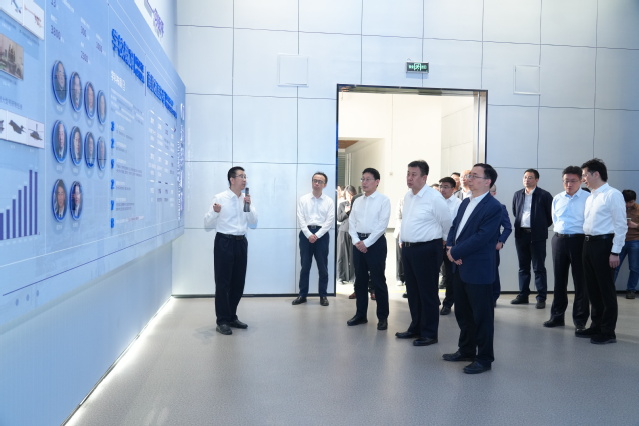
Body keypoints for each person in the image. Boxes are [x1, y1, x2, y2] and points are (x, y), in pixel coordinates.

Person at [444, 163, 502, 374]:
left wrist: (456, 252)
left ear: (487, 181)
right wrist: (450, 247)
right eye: (469, 175)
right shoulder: (465, 202)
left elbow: (482, 237)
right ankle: (466, 350)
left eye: (475, 176)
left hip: (478, 269)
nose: (469, 179)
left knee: (482, 316)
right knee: (463, 313)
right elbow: (454, 228)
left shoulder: (493, 207)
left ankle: (484, 358)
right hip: (460, 267)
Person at [395, 161, 451, 346]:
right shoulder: (408, 195)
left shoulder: (434, 197)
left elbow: (447, 223)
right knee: (413, 291)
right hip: (408, 249)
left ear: (424, 177)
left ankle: (429, 333)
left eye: (414, 174)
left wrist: (443, 241)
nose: (409, 178)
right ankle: (416, 327)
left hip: (427, 249)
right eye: (408, 174)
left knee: (427, 293)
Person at [578, 158, 627, 344]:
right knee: (592, 289)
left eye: (585, 175)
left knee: (606, 290)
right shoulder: (591, 196)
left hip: (604, 245)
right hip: (588, 244)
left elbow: (621, 225)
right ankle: (596, 325)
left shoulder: (612, 195)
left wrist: (615, 252)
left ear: (596, 174)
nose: (583, 179)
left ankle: (608, 332)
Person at [203, 166, 257, 335]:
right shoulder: (220, 198)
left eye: (245, 176)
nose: (244, 179)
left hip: (241, 242)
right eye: (241, 176)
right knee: (223, 283)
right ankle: (222, 321)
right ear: (232, 180)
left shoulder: (245, 199)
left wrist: (249, 205)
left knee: (238, 283)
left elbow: (254, 221)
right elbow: (207, 223)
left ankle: (232, 316)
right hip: (224, 242)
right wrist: (215, 212)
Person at [544, 167, 590, 330]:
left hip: (579, 240)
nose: (569, 184)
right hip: (559, 240)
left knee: (581, 282)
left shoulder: (588, 198)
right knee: (559, 280)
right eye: (566, 181)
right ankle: (557, 317)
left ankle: (580, 321)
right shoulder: (557, 198)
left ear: (581, 181)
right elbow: (555, 219)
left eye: (573, 181)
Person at [347, 168, 391, 330]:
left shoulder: (383, 200)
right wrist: (357, 241)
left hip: (376, 243)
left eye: (368, 179)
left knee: (378, 281)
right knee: (360, 280)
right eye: (362, 179)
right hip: (358, 243)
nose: (364, 182)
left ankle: (382, 317)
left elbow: (382, 225)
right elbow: (352, 222)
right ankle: (361, 315)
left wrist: (367, 243)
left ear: (377, 182)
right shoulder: (357, 201)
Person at [511, 169, 553, 308]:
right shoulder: (518, 194)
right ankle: (523, 295)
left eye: (530, 177)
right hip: (521, 234)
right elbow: (515, 212)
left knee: (538, 267)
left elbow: (550, 217)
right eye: (525, 177)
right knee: (523, 267)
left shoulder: (544, 195)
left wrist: (539, 226)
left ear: (537, 180)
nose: (526, 180)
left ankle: (541, 298)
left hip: (537, 236)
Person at [293, 172, 335, 306]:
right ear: (312, 182)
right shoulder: (303, 199)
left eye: (320, 181)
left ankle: (323, 295)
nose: (317, 183)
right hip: (306, 234)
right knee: (305, 266)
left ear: (325, 184)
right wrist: (308, 234)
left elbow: (329, 221)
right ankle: (302, 295)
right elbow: (300, 218)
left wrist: (317, 235)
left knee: (323, 267)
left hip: (322, 235)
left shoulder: (329, 201)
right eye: (315, 180)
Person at [437, 176, 461, 315]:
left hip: (450, 245)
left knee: (450, 276)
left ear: (453, 189)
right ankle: (434, 300)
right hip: (435, 242)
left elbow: (456, 225)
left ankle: (448, 303)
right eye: (441, 186)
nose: (442, 189)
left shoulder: (458, 204)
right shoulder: (435, 201)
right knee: (432, 273)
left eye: (446, 187)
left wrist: (447, 240)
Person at [489, 185, 512, 306]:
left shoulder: (500, 207)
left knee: (493, 272)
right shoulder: (475, 206)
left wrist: (501, 241)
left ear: (494, 193)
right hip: (476, 246)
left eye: (490, 191)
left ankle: (493, 297)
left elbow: (508, 227)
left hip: (492, 247)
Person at [614, 190, 639, 299]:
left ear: (635, 200)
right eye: (625, 202)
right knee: (614, 267)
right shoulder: (617, 208)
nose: (627, 204)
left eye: (630, 202)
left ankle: (631, 290)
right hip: (619, 241)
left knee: (634, 267)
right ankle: (609, 289)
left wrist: (636, 225)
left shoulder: (638, 209)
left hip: (635, 240)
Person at [337, 185, 357, 285]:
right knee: (341, 255)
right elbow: (339, 218)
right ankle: (341, 276)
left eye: (352, 195)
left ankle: (353, 277)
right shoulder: (342, 204)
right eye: (348, 195)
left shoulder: (358, 205)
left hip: (354, 232)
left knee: (354, 255)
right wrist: (345, 212)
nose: (350, 197)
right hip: (343, 231)